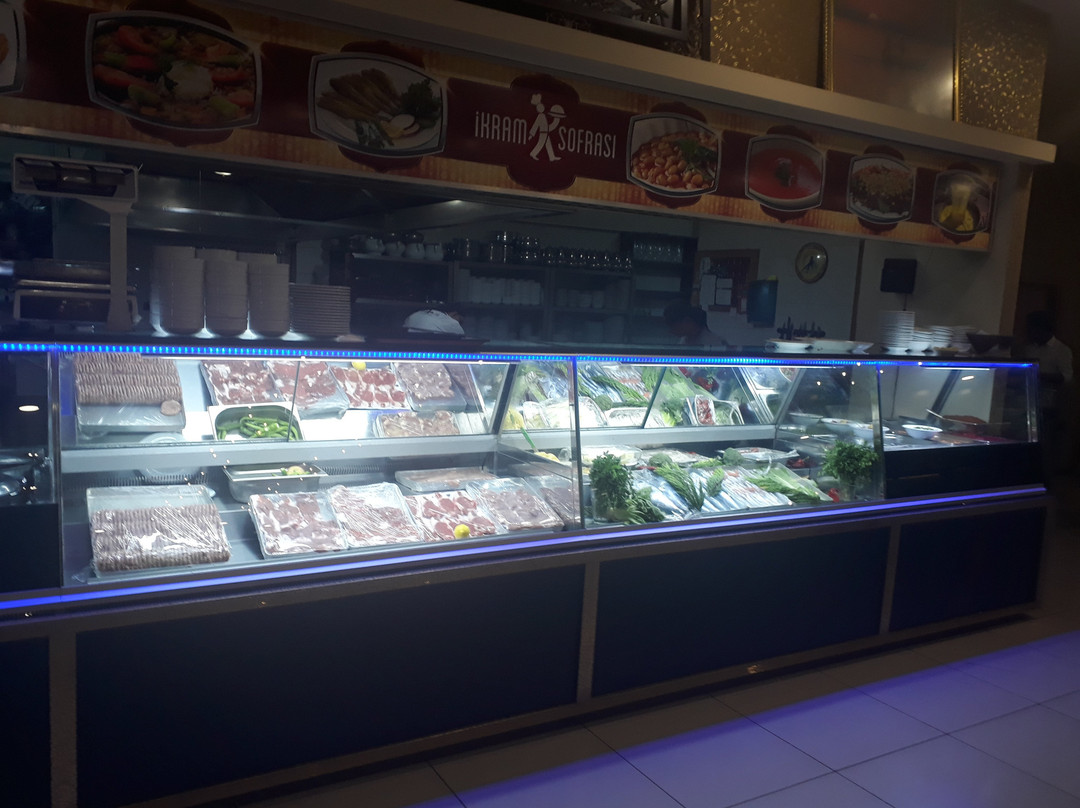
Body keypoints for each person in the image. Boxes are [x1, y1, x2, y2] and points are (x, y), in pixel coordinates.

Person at [1023, 310, 1074, 474]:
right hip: (1027, 400)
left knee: (1045, 441)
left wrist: (1038, 375)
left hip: (1049, 402)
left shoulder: (1061, 350)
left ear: (1043, 329)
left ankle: (1043, 474)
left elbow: (1067, 377)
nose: (1029, 333)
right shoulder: (1029, 348)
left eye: (1032, 329)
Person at [663, 301, 728, 348]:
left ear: (687, 321)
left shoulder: (714, 343)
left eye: (674, 327)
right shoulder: (683, 341)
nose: (671, 331)